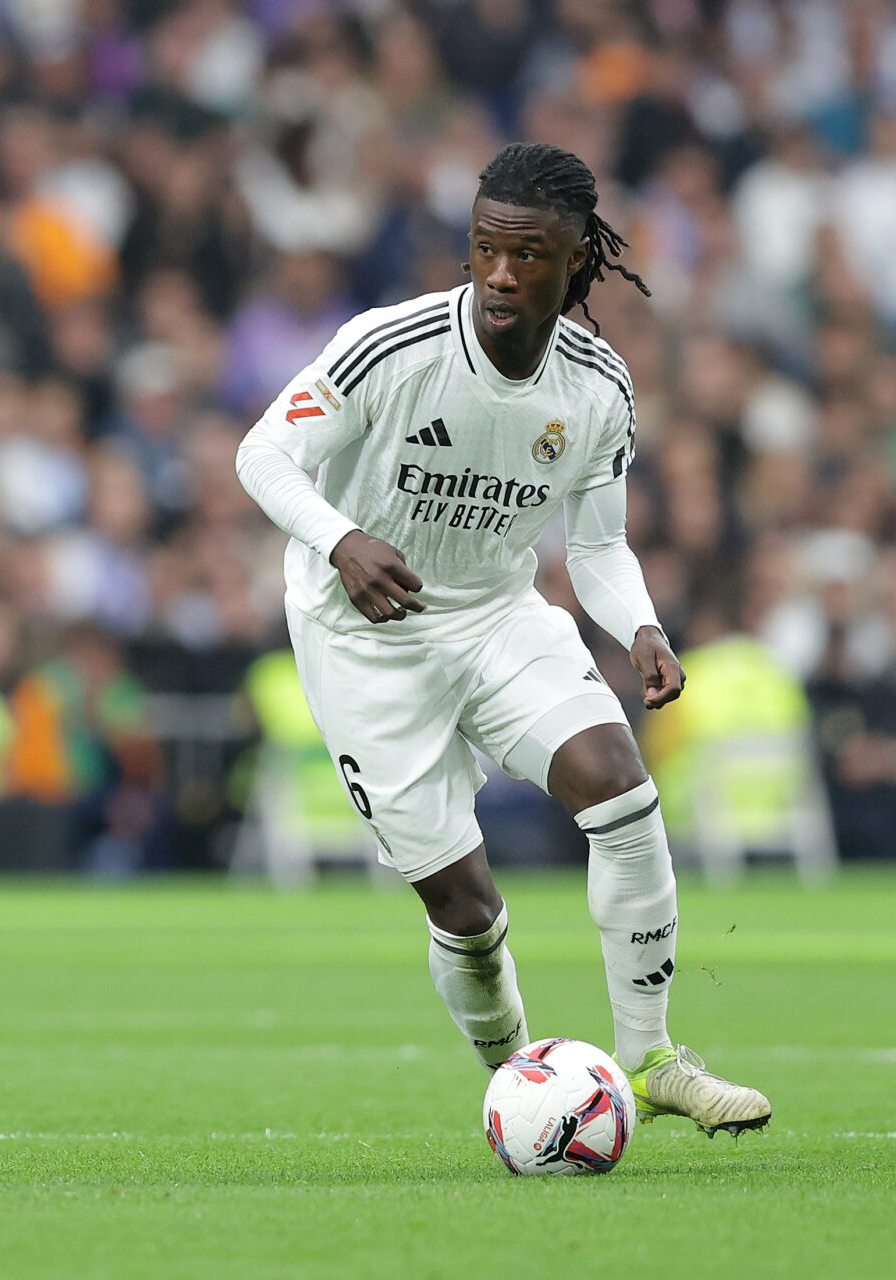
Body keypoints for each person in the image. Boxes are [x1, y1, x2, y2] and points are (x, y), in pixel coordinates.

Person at [235, 142, 770, 1136]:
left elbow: (599, 544)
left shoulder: (598, 387)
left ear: (578, 263)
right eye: (486, 247)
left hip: (496, 615)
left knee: (622, 783)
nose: (501, 273)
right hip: (364, 639)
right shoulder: (388, 346)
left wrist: (642, 625)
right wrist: (341, 538)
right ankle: (525, 1080)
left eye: (529, 255)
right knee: (468, 913)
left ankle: (652, 1057)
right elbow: (263, 450)